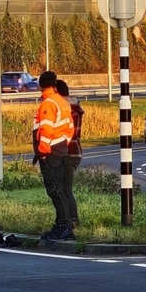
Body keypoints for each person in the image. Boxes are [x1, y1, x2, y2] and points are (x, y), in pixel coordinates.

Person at [33, 71, 75, 241]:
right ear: (55, 84)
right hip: (62, 148)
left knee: (55, 190)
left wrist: (43, 152)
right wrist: (62, 142)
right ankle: (61, 225)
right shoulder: (62, 102)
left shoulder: (47, 104)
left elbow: (45, 129)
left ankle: (65, 226)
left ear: (40, 85)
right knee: (61, 190)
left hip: (50, 152)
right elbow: (70, 128)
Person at [55, 80, 84, 230]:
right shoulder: (76, 106)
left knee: (64, 189)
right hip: (75, 151)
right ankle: (67, 220)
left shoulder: (65, 109)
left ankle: (71, 220)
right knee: (64, 188)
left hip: (66, 152)